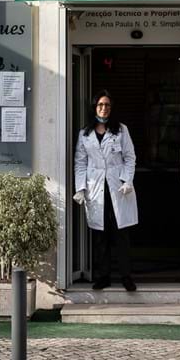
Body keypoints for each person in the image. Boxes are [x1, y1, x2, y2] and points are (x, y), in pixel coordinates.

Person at [73, 90, 138, 291]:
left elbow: (130, 157)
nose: (104, 108)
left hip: (118, 188)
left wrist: (127, 180)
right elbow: (80, 163)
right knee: (100, 235)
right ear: (94, 108)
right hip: (96, 189)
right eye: (100, 105)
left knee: (121, 234)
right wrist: (81, 189)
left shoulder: (121, 130)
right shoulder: (85, 134)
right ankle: (103, 277)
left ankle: (126, 276)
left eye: (107, 105)